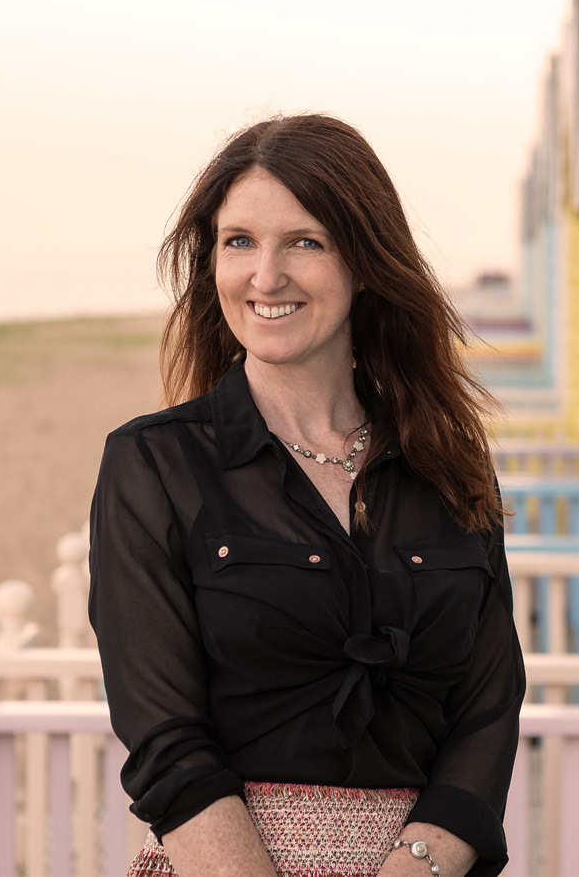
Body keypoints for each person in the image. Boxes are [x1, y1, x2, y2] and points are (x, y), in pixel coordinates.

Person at [88, 114, 525, 877]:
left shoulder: (451, 464)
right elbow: (164, 739)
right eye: (240, 242)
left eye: (306, 241)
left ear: (365, 260)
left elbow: (489, 709)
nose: (265, 276)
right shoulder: (153, 465)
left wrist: (415, 864)